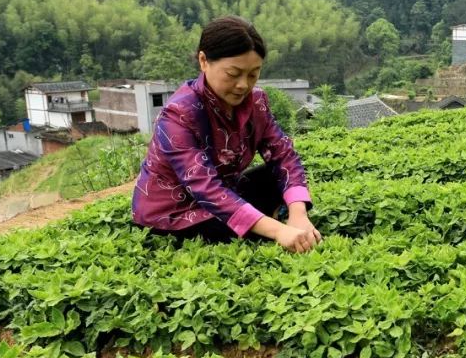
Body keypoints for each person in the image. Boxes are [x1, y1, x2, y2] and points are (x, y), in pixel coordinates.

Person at [132, 15, 323, 254]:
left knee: (276, 177)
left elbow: (283, 154)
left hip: (226, 193)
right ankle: (270, 224)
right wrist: (278, 231)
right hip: (177, 214)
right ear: (204, 61)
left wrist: (298, 215)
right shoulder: (179, 114)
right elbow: (206, 189)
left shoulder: (257, 102)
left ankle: (277, 220)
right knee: (233, 231)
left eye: (253, 74)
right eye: (233, 74)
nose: (243, 85)